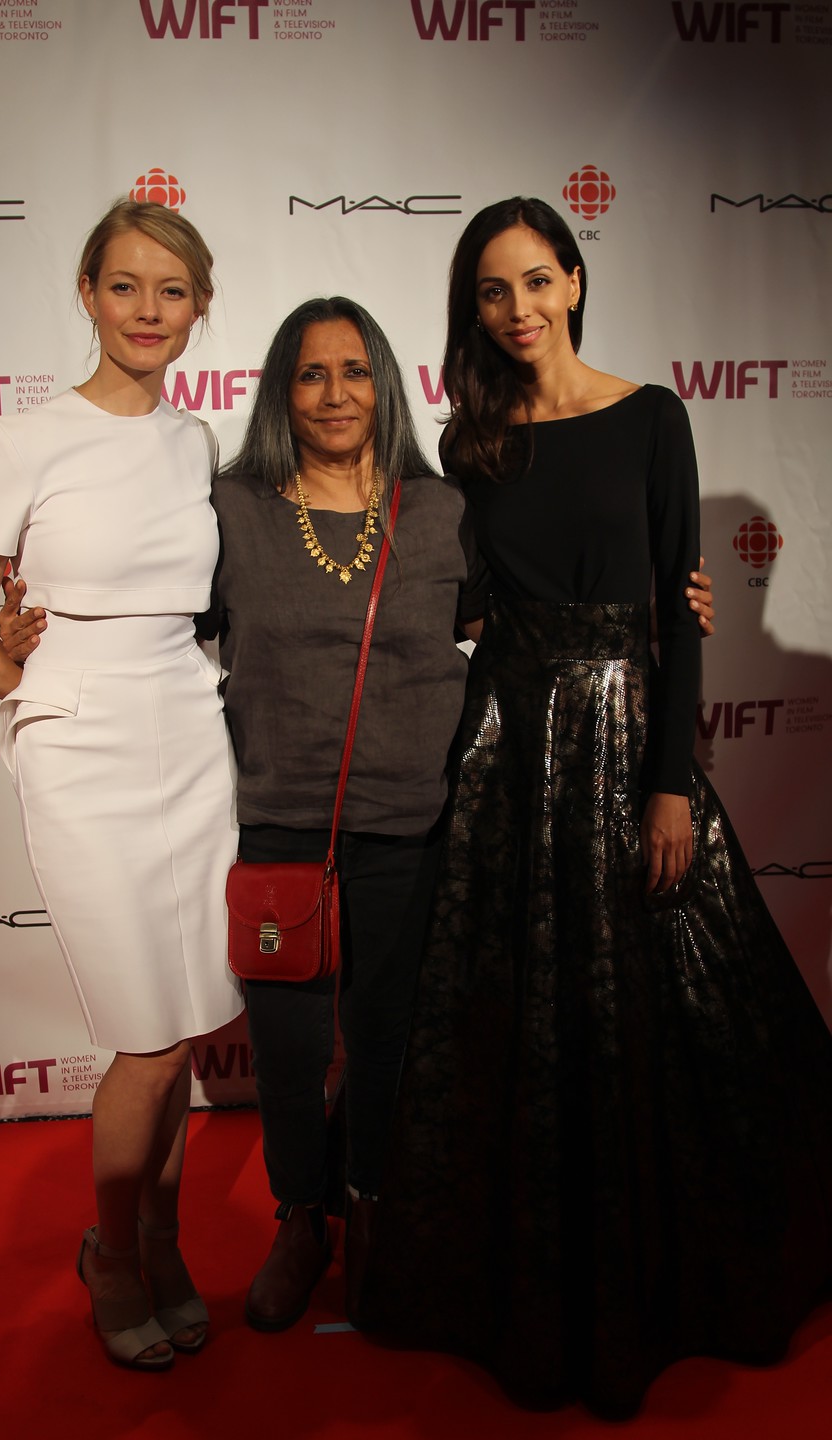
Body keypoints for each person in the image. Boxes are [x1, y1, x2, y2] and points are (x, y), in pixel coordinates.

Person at [0, 293, 715, 1334]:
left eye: (355, 370)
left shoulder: (445, 508)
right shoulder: (232, 507)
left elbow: (534, 605)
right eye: (311, 374)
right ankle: (303, 1222)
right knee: (288, 1055)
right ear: (281, 392)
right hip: (277, 827)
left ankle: (374, 1217)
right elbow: (147, 616)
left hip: (413, 826)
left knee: (383, 1046)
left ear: (385, 382)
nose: (336, 394)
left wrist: (670, 597)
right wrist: (35, 634)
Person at [357, 198, 832, 1416]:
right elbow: (466, 604)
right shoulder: (473, 441)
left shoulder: (651, 417)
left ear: (573, 280)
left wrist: (670, 783)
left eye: (534, 282)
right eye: (490, 293)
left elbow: (681, 607)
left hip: (628, 740)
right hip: (508, 750)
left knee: (675, 1007)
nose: (516, 310)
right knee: (506, 1016)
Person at [0, 200, 242, 1371]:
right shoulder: (23, 440)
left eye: (171, 291)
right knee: (144, 1037)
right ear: (87, 292)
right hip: (83, 749)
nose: (148, 311)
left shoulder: (193, 442)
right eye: (125, 286)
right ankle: (114, 1251)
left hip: (191, 735)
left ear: (199, 308)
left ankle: (159, 1243)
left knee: (186, 1021)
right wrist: (41, 690)